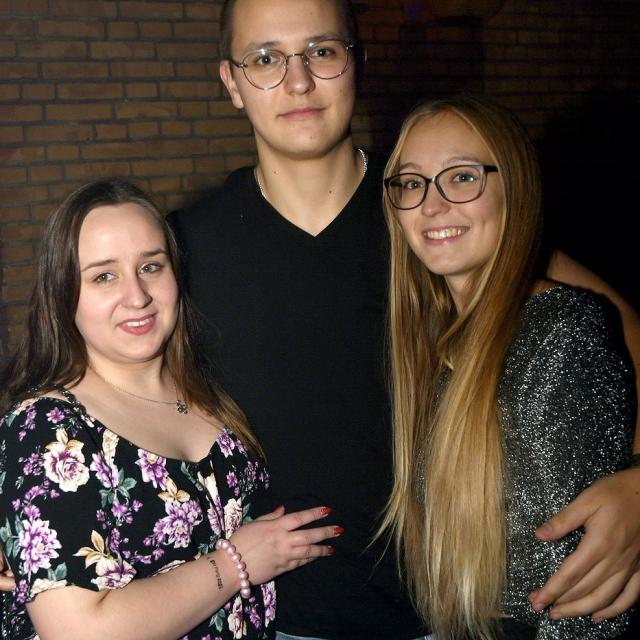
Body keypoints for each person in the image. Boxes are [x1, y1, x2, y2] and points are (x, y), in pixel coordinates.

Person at [170, 0, 640, 638]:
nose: (298, 80)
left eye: (322, 51)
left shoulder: (430, 210)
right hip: (278, 618)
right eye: (265, 58)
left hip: (453, 612)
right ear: (231, 81)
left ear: (357, 63)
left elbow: (614, 328)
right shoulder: (184, 246)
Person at [0, 178, 340, 640]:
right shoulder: (50, 428)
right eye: (104, 276)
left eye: (151, 266)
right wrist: (236, 564)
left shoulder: (210, 390)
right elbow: (77, 629)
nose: (137, 296)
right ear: (64, 295)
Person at [380, 94, 636, 639]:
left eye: (462, 177)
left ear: (513, 189)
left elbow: (578, 602)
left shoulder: (560, 330)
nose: (431, 205)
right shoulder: (437, 338)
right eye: (412, 182)